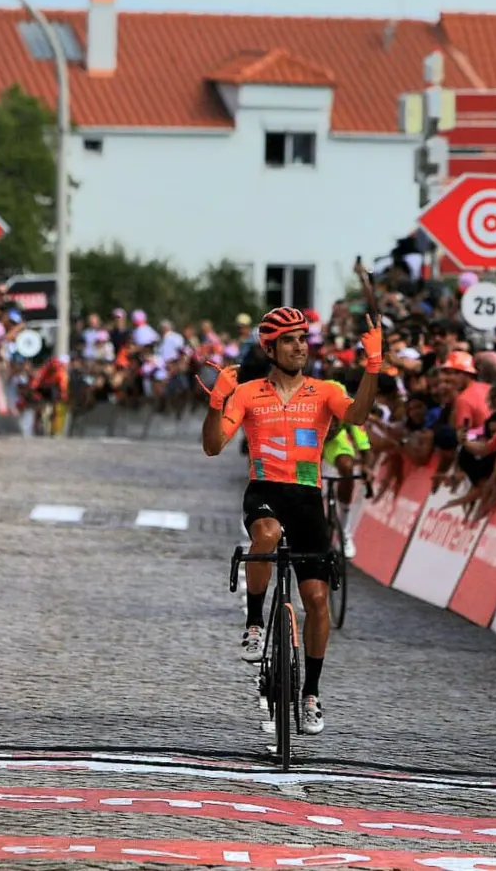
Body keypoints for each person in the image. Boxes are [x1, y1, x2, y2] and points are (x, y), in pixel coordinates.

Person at [201, 306, 382, 735]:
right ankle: (254, 624)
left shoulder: (324, 391)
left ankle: (312, 693)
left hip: (305, 497)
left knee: (317, 601)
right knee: (266, 533)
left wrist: (373, 367)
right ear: (270, 348)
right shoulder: (247, 393)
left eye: (302, 339)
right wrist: (216, 401)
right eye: (288, 340)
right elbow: (213, 446)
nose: (299, 347)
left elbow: (357, 416)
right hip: (265, 491)